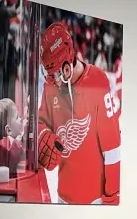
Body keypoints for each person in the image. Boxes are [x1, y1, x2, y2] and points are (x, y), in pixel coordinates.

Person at [35, 22, 121, 204]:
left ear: (66, 66)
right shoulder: (50, 88)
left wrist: (112, 196)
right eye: (48, 73)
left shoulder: (97, 81)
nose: (51, 80)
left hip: (94, 201)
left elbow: (112, 146)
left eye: (54, 73)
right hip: (62, 196)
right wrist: (44, 135)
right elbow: (40, 122)